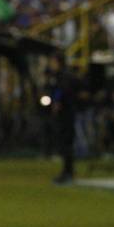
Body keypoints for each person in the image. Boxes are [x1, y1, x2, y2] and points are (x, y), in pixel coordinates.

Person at [48, 53, 80, 184]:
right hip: (68, 112)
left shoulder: (63, 76)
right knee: (67, 143)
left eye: (52, 61)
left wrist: (57, 102)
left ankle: (67, 172)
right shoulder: (66, 75)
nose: (51, 64)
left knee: (66, 143)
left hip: (66, 114)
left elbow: (61, 91)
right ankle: (68, 171)